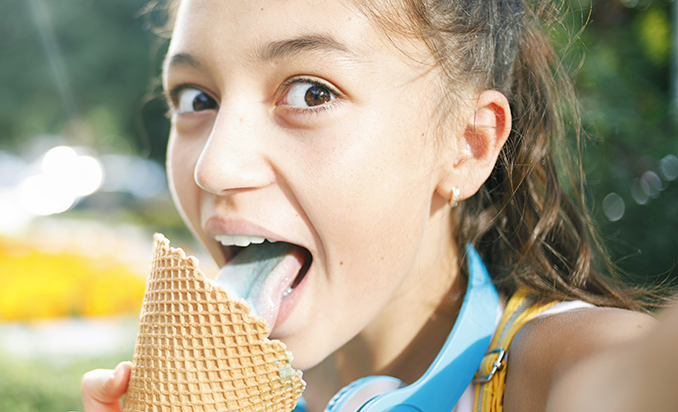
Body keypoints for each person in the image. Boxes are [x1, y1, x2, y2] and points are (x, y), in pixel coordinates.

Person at [82, 0, 678, 411]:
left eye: (310, 92)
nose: (214, 165)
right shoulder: (228, 393)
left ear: (466, 146)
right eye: (196, 97)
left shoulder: (561, 372)